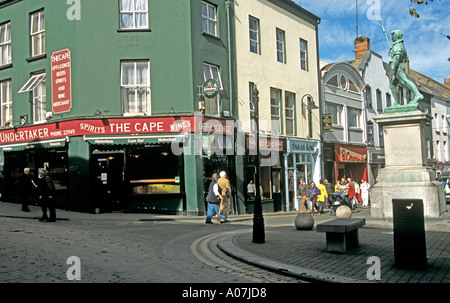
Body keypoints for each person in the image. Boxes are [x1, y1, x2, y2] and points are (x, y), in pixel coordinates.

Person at [388, 30, 424, 107]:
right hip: (398, 66)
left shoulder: (398, 45)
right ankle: (396, 103)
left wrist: (393, 70)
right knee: (393, 84)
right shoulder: (399, 45)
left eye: (393, 35)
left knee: (405, 81)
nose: (391, 37)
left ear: (397, 36)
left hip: (397, 67)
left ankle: (417, 94)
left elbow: (396, 58)